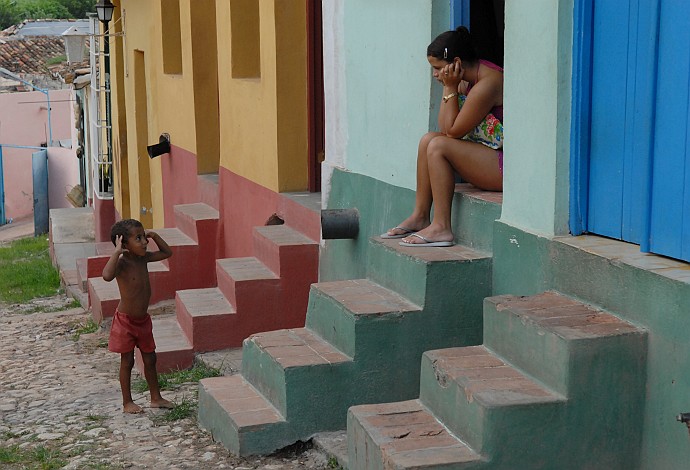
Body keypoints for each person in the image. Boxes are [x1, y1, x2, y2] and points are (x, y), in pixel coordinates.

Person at [383, 26, 503, 247]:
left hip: (506, 167)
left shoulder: (488, 82)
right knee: (428, 140)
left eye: (437, 67)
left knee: (438, 146)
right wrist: (451, 87)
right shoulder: (466, 79)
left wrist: (449, 87)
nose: (435, 74)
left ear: (456, 62)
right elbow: (445, 126)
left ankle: (441, 227)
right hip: (489, 156)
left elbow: (452, 132)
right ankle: (420, 215)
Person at [102, 218, 174, 413]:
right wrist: (116, 253)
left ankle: (156, 397)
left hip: (143, 320)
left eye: (144, 237)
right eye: (138, 238)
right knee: (128, 361)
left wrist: (156, 236)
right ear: (124, 244)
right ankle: (127, 402)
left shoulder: (143, 258)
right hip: (125, 321)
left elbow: (167, 253)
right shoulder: (122, 263)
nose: (144, 242)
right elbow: (106, 275)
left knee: (150, 359)